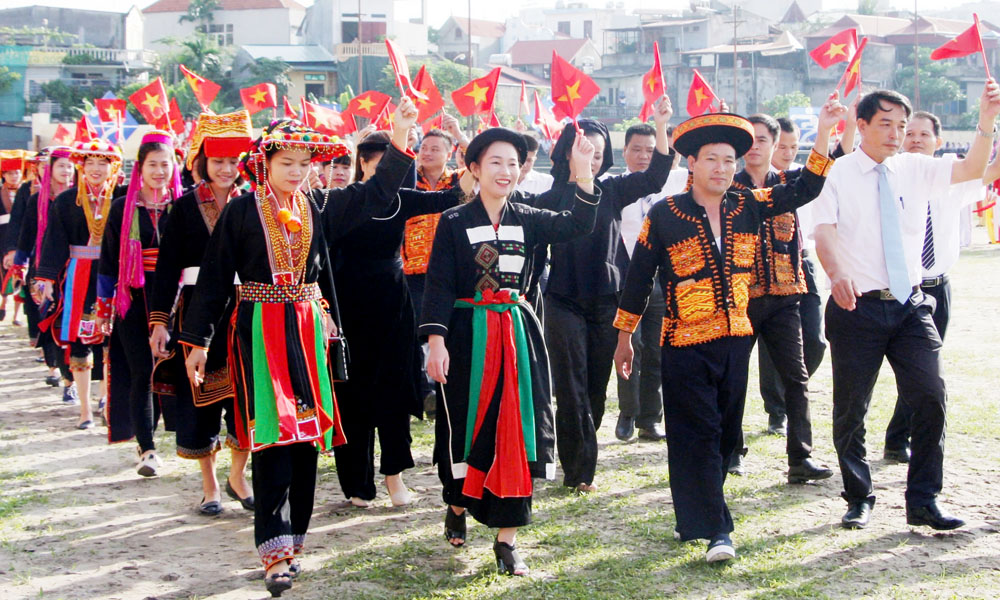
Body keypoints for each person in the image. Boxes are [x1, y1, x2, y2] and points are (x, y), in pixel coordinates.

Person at [180, 100, 418, 598]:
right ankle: (273, 553)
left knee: (307, 440)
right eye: (287, 163)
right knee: (271, 437)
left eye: (305, 163)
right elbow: (218, 276)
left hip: (308, 336)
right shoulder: (243, 210)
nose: (297, 172)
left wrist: (398, 134)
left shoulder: (318, 205)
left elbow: (376, 191)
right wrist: (198, 340)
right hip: (258, 334)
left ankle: (295, 542)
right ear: (265, 163)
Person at [613, 95, 843, 563]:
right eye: (712, 160)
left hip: (736, 339)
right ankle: (719, 529)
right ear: (691, 163)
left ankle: (695, 515)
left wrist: (823, 133)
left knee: (723, 435)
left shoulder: (748, 205)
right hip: (682, 342)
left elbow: (808, 188)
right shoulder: (664, 214)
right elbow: (638, 278)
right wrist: (624, 337)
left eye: (728, 160)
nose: (721, 168)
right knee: (694, 431)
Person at [812, 83, 1000, 531]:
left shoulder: (917, 167)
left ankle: (923, 501)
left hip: (911, 306)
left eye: (901, 125)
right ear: (861, 126)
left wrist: (987, 118)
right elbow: (824, 233)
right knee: (851, 408)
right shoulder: (835, 173)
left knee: (931, 397)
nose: (896, 134)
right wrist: (837, 274)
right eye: (886, 125)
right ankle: (858, 496)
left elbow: (977, 167)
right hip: (856, 306)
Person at [422, 126, 600, 575]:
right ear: (475, 169)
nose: (505, 171)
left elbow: (579, 223)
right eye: (495, 162)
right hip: (466, 339)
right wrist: (436, 343)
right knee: (463, 426)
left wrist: (582, 173)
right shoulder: (453, 221)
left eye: (513, 163)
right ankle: (458, 502)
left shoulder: (528, 215)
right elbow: (439, 285)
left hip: (516, 337)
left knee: (518, 430)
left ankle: (507, 540)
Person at [534, 96, 673, 492]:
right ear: (566, 153)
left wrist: (661, 124)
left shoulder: (613, 190)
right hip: (561, 301)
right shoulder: (550, 197)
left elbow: (656, 176)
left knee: (595, 387)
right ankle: (579, 473)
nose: (591, 158)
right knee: (571, 387)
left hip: (608, 301)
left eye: (596, 151)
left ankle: (580, 449)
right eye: (583, 150)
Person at [328, 130, 468, 509]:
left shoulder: (402, 199)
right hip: (345, 306)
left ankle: (394, 477)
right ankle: (358, 483)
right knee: (352, 394)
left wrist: (474, 152)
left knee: (392, 391)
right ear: (363, 163)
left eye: (397, 169)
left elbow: (452, 196)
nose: (390, 177)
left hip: (393, 303)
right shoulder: (339, 201)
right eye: (381, 167)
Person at [148, 111, 255, 513]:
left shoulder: (254, 204)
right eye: (218, 162)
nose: (226, 169)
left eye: (233, 161)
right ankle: (210, 486)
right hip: (197, 312)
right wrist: (159, 320)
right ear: (202, 164)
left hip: (246, 310)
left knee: (248, 397)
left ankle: (237, 474)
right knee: (203, 400)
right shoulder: (184, 208)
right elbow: (166, 269)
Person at [725, 113, 833, 484]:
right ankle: (730, 452)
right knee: (733, 377)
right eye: (748, 140)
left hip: (786, 295)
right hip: (739, 298)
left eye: (761, 140)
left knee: (796, 378)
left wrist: (824, 131)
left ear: (775, 145)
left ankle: (800, 459)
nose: (754, 147)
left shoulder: (789, 183)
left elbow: (816, 179)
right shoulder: (726, 185)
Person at [881, 111, 995, 464]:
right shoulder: (888, 178)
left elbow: (991, 168)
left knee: (924, 371)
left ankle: (898, 439)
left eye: (923, 134)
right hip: (899, 289)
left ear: (939, 142)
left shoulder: (954, 178)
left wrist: (992, 123)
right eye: (908, 133)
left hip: (937, 286)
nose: (915, 139)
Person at [97, 130, 183, 476]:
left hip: (178, 299)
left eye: (166, 164)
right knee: (141, 373)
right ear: (140, 168)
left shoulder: (183, 205)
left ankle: (184, 436)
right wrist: (103, 305)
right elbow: (107, 260)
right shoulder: (123, 208)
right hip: (133, 301)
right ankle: (147, 448)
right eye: (153, 165)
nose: (160, 171)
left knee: (174, 369)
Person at [35, 139, 125, 429]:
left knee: (111, 341)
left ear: (113, 168)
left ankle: (107, 400)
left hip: (112, 275)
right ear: (81, 166)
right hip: (79, 277)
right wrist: (46, 278)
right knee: (79, 340)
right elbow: (54, 241)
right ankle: (85, 408)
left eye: (103, 163)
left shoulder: (122, 199)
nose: (96, 169)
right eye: (90, 163)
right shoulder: (66, 200)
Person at [613, 122, 688, 442]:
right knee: (632, 346)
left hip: (663, 278)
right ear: (625, 152)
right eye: (637, 149)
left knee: (657, 349)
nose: (644, 156)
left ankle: (650, 418)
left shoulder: (675, 183)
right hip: (625, 279)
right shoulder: (614, 186)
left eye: (650, 149)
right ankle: (627, 412)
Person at [11, 148, 76, 400]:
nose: (66, 171)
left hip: (74, 269)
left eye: (70, 166)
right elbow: (25, 235)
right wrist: (19, 264)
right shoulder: (37, 200)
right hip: (43, 270)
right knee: (49, 321)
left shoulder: (79, 199)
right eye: (61, 166)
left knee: (69, 323)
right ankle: (56, 370)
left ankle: (71, 377)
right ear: (49, 169)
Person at [0, 150, 29, 324]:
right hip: (2, 238)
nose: (14, 176)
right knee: (4, 273)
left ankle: (16, 314)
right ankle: (3, 303)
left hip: (21, 238)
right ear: (3, 175)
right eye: (10, 173)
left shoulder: (26, 192)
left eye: (17, 172)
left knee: (21, 274)